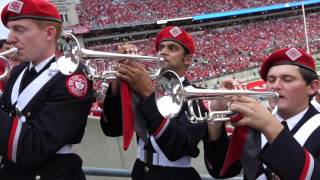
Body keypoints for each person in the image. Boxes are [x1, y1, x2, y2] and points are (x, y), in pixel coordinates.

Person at [0, 0, 94, 179]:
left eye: (19, 29)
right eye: (10, 29)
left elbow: (35, 148)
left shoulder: (73, 75)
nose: (10, 38)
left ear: (49, 33)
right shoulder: (19, 71)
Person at [100, 26, 207, 180]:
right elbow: (112, 129)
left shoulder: (194, 96)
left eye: (172, 48)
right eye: (161, 47)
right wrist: (118, 79)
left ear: (187, 59)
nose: (163, 51)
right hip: (141, 171)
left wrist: (148, 93)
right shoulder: (147, 88)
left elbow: (178, 146)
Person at [203, 47, 320, 179]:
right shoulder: (253, 126)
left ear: (312, 87)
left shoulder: (262, 123)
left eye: (287, 79)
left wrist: (269, 126)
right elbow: (220, 170)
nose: (275, 86)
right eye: (270, 80)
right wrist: (215, 121)